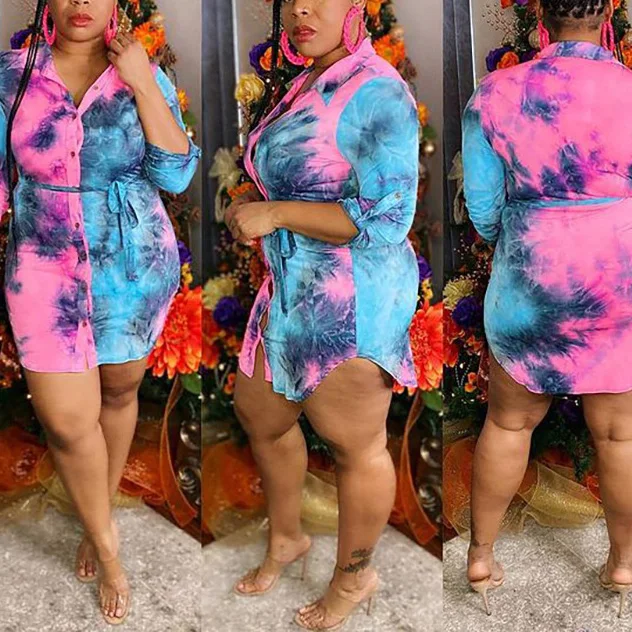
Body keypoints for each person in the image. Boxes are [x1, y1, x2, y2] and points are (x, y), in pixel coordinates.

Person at [0, 0, 200, 624]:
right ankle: (110, 549)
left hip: (131, 266)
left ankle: (97, 514)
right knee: (66, 422)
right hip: (42, 263)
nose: (81, 2)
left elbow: (177, 173)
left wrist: (142, 82)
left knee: (118, 393)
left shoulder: (143, 71)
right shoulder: (11, 74)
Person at [223, 0, 420, 629]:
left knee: (356, 446)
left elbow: (389, 218)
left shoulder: (377, 90)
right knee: (260, 414)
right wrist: (264, 209)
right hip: (289, 285)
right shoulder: (311, 77)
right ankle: (287, 537)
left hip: (352, 299)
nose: (300, 9)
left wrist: (276, 213)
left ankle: (355, 576)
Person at [461, 0, 632, 618]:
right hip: (617, 281)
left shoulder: (494, 94)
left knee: (509, 424)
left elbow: (483, 208)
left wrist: (522, 239)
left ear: (541, 19)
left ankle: (481, 557)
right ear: (606, 12)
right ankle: (624, 563)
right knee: (619, 433)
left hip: (529, 283)